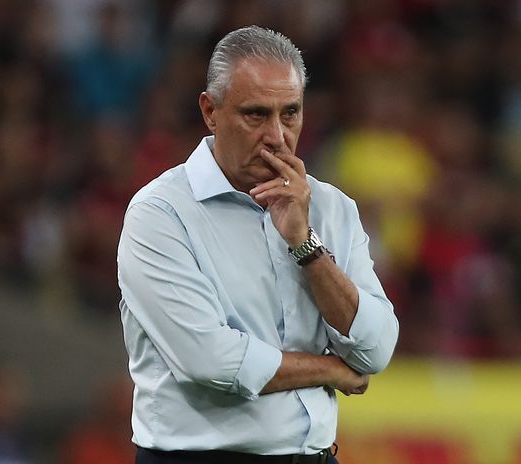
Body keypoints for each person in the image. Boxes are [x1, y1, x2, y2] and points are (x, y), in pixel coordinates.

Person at [117, 25, 399, 464]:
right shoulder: (160, 214)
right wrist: (327, 369)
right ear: (210, 111)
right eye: (256, 114)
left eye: (290, 113)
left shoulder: (330, 208)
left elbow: (375, 348)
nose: (277, 136)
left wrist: (304, 244)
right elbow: (210, 360)